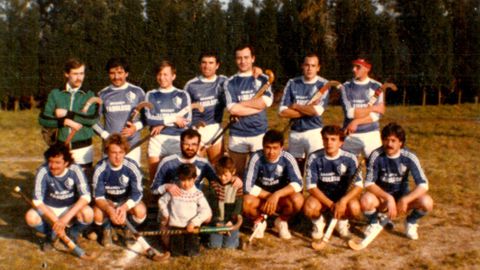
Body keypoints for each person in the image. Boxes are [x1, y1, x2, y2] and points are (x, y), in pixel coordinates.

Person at [360, 122, 433, 240]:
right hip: (382, 199)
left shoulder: (409, 156)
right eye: (386, 140)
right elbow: (369, 183)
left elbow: (423, 184)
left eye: (393, 141)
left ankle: (411, 222)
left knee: (427, 202)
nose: (389, 144)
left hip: (401, 198)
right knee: (365, 200)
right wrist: (388, 198)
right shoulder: (376, 155)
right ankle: (374, 222)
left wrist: (405, 199)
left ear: (401, 142)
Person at [25, 143, 93, 251]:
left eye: (57, 162)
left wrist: (65, 219)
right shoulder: (43, 170)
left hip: (69, 209)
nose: (53, 166)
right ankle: (50, 235)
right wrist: (56, 221)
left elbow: (86, 197)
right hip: (49, 209)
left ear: (66, 163)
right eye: (50, 161)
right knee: (31, 217)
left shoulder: (75, 169)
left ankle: (72, 234)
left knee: (88, 213)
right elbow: (37, 201)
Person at [39, 58, 99, 179]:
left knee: (84, 184)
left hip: (83, 149)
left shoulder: (90, 94)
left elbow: (92, 119)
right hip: (61, 147)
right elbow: (43, 119)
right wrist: (63, 121)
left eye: (81, 73)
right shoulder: (55, 93)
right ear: (67, 74)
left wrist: (68, 113)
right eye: (75, 74)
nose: (79, 77)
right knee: (62, 184)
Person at [303, 125, 363, 240]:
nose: (329, 143)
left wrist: (343, 201)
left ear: (341, 142)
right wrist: (331, 205)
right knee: (309, 208)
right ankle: (319, 222)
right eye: (326, 139)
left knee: (354, 207)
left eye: (333, 139)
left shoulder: (350, 158)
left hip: (342, 197)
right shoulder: (314, 157)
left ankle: (342, 222)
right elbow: (311, 187)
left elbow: (359, 186)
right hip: (322, 197)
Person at [243, 129, 304, 240]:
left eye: (275, 148)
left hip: (280, 199)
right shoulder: (256, 157)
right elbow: (247, 186)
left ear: (281, 148)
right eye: (268, 147)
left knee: (298, 199)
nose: (271, 152)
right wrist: (269, 197)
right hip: (261, 199)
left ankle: (281, 221)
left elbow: (298, 184)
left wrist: (276, 195)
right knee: (247, 202)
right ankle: (259, 221)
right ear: (263, 146)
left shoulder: (287, 158)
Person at [225, 44, 273, 176]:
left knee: (260, 174)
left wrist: (242, 105)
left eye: (246, 57)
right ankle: (236, 197)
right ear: (235, 60)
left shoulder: (263, 78)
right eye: (239, 58)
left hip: (259, 133)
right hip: (237, 134)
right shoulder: (230, 82)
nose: (243, 61)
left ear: (253, 58)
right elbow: (232, 109)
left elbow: (266, 102)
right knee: (236, 174)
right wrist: (256, 107)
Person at [91, 133, 146, 247]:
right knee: (97, 214)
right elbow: (99, 197)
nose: (118, 157)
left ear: (125, 152)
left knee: (140, 211)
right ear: (107, 152)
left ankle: (127, 229)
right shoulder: (100, 168)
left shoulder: (131, 166)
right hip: (108, 202)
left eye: (121, 152)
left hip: (125, 201)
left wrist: (125, 207)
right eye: (114, 152)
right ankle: (107, 229)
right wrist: (110, 210)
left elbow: (137, 193)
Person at [279, 53, 329, 172]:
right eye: (307, 65)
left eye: (313, 65)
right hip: (295, 132)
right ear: (302, 66)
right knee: (295, 171)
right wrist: (308, 109)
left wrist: (295, 106)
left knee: (317, 170)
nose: (309, 68)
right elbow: (282, 112)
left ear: (318, 68)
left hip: (314, 132)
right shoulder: (292, 83)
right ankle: (298, 191)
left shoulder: (323, 84)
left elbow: (318, 111)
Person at [93, 57, 146, 165]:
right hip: (110, 147)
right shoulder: (102, 94)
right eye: (112, 73)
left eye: (120, 73)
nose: (116, 77)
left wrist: (136, 127)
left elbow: (147, 118)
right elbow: (93, 121)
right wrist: (106, 136)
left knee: (132, 177)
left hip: (132, 145)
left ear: (126, 73)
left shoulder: (138, 92)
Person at [145, 60, 192, 181]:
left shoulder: (182, 94)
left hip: (176, 139)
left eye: (165, 74)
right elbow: (149, 119)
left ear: (173, 76)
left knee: (178, 178)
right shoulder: (150, 95)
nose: (162, 77)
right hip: (156, 139)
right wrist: (173, 119)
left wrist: (162, 124)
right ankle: (156, 200)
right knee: (155, 179)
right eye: (159, 74)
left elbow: (187, 121)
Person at [158, 163, 212, 257]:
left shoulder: (197, 194)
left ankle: (198, 242)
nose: (186, 184)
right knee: (176, 253)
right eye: (183, 180)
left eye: (189, 180)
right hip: (176, 227)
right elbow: (161, 201)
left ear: (195, 179)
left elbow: (206, 210)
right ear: (179, 178)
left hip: (191, 228)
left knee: (192, 252)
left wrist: (194, 222)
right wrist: (166, 214)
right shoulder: (175, 190)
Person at [184, 52, 228, 164]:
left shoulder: (224, 82)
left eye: (211, 63)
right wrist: (192, 124)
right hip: (196, 131)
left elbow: (241, 80)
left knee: (217, 170)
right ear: (200, 64)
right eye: (204, 62)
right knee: (195, 170)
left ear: (217, 65)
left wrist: (256, 70)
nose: (207, 66)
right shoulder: (191, 85)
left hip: (215, 130)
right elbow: (183, 112)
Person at [340, 58, 384, 158]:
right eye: (353, 66)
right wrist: (374, 108)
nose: (354, 69)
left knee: (375, 166)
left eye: (358, 67)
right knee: (347, 169)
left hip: (371, 133)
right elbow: (349, 113)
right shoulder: (345, 87)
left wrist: (356, 122)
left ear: (367, 68)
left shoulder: (377, 86)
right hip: (350, 134)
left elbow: (376, 116)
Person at [208, 156, 243, 249]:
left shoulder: (237, 186)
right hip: (217, 221)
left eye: (225, 175)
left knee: (229, 247)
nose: (222, 178)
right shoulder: (213, 185)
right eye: (219, 175)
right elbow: (213, 205)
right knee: (214, 246)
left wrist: (232, 221)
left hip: (231, 222)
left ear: (233, 172)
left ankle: (237, 240)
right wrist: (217, 222)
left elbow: (238, 206)